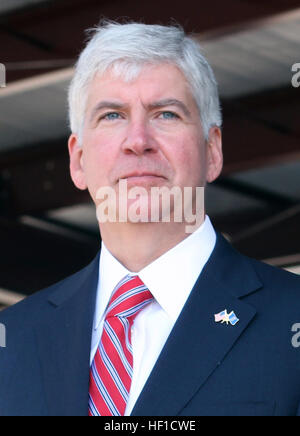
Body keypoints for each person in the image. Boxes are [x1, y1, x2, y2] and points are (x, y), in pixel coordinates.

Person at [1, 21, 300, 417]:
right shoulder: (13, 340)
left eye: (165, 114)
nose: (138, 140)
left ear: (212, 151)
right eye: (111, 116)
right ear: (78, 161)